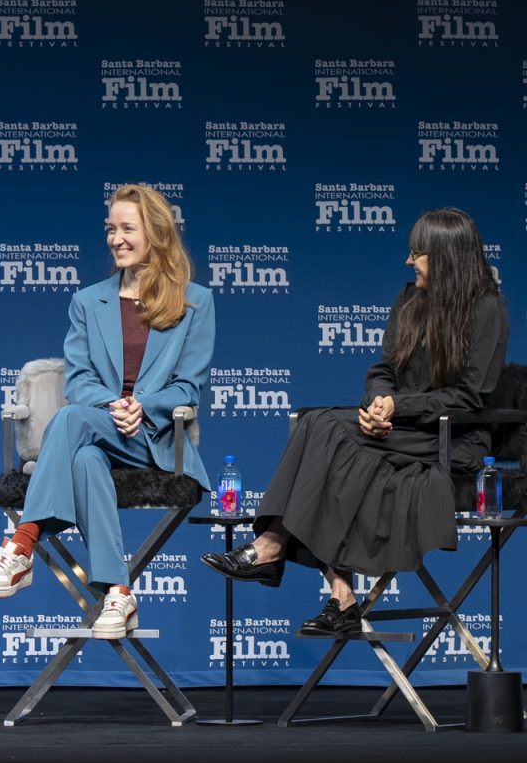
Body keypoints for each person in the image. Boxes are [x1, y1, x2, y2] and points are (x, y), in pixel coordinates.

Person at [202, 208, 508, 636]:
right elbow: (383, 367)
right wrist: (380, 400)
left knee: (327, 433)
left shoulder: (487, 309)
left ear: (447, 256)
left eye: (418, 252)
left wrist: (396, 408)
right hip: (397, 430)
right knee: (318, 422)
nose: (409, 261)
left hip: (447, 438)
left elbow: (470, 395)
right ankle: (340, 594)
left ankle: (273, 547)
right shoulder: (409, 301)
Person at [0, 184, 216, 638]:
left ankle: (22, 543)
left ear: (157, 234)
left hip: (156, 439)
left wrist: (142, 407)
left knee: (67, 420)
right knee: (84, 457)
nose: (116, 238)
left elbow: (189, 385)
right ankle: (119, 594)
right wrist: (112, 404)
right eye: (111, 229)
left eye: (128, 228)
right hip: (100, 428)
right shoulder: (88, 301)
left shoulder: (195, 301)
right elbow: (79, 380)